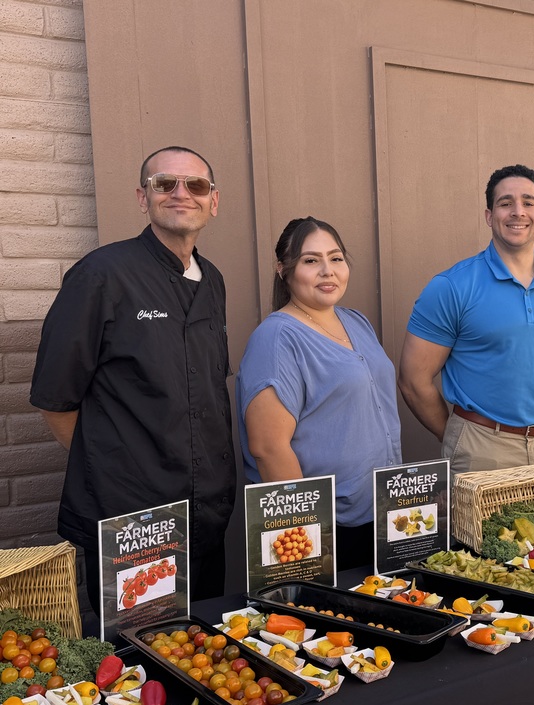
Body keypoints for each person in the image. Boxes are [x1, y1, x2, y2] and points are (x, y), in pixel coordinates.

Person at [30, 145, 236, 610]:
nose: (181, 194)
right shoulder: (101, 275)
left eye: (196, 185)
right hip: (132, 522)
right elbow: (55, 400)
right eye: (165, 184)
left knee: (203, 654)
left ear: (213, 201)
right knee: (140, 663)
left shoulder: (214, 281)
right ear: (144, 198)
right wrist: (114, 466)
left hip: (206, 513)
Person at [237, 217, 402, 569]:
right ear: (284, 270)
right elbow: (267, 447)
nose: (328, 271)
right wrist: (309, 538)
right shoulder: (278, 338)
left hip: (381, 516)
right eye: (311, 261)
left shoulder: (355, 320)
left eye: (336, 258)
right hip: (328, 529)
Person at [399, 164, 534, 474]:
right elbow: (413, 381)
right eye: (505, 203)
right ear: (489, 216)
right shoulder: (452, 287)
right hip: (481, 450)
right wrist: (461, 438)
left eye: (528, 202)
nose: (517, 212)